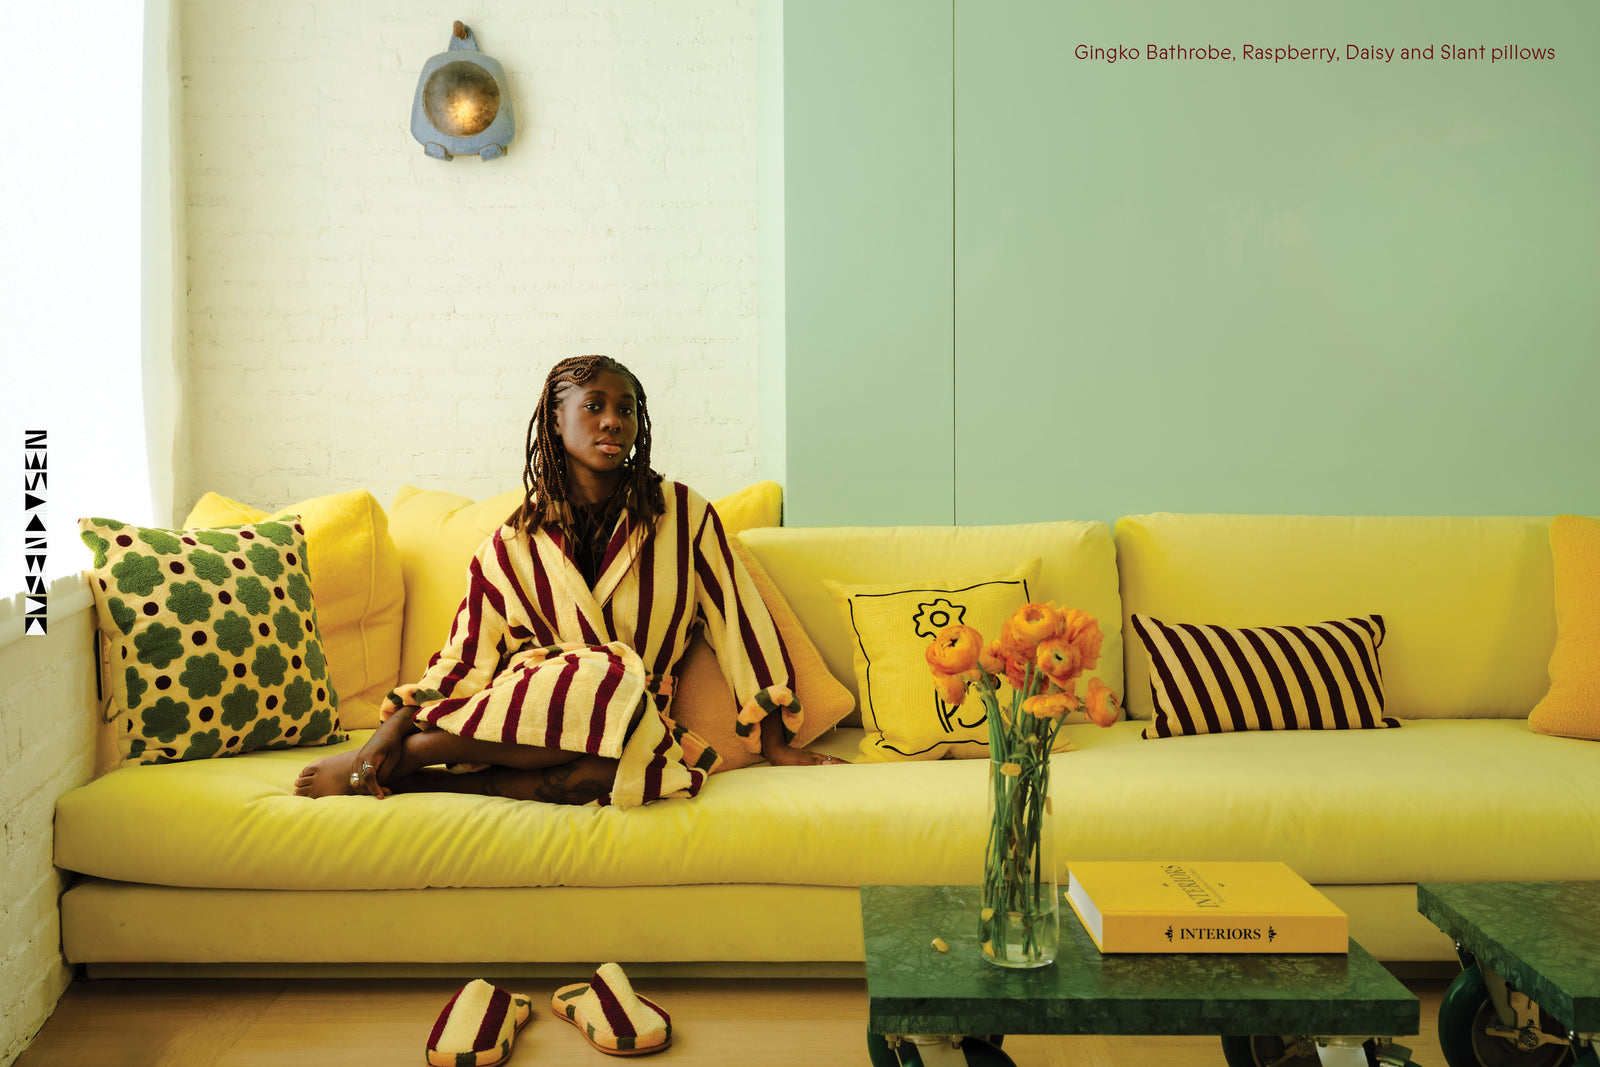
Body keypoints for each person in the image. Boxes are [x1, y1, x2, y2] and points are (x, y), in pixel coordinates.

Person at [295, 355, 843, 806]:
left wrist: (775, 743)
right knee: (597, 668)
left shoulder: (683, 514)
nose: (614, 421)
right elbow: (464, 657)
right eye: (595, 406)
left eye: (626, 410)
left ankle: (421, 772)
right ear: (556, 421)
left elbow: (740, 621)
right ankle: (411, 749)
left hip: (630, 717)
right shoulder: (509, 544)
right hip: (529, 706)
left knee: (623, 771)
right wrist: (389, 730)